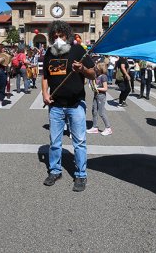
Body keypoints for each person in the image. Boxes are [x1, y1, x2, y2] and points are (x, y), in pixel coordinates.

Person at [42, 20, 95, 192]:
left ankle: (80, 175)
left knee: (79, 142)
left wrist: (82, 70)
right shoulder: (49, 53)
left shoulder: (78, 50)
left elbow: (93, 74)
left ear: (67, 35)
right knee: (55, 142)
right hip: (55, 106)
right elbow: (45, 77)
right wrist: (45, 94)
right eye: (55, 36)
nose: (58, 39)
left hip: (75, 104)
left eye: (61, 35)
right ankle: (55, 171)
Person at [87, 62, 112, 136]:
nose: (95, 68)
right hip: (96, 95)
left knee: (101, 112)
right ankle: (94, 127)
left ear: (101, 68)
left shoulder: (103, 76)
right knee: (94, 111)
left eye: (97, 68)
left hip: (101, 96)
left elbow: (105, 88)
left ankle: (108, 128)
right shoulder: (97, 75)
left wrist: (97, 88)